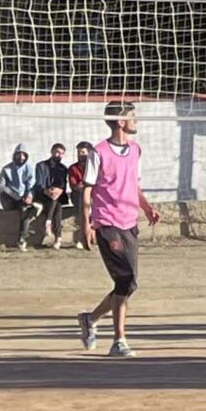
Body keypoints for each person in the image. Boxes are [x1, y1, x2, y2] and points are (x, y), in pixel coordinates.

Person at [77, 101, 161, 356]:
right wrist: (86, 225)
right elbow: (87, 191)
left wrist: (147, 208)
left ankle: (90, 319)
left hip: (129, 221)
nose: (136, 121)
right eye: (132, 117)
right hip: (107, 222)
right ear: (121, 122)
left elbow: (133, 184)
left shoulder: (135, 150)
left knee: (129, 284)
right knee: (124, 279)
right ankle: (119, 340)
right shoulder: (98, 152)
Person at [32, 143, 73, 249]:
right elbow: (39, 183)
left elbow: (63, 184)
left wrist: (58, 191)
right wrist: (47, 191)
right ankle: (58, 237)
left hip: (57, 196)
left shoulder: (63, 168)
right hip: (43, 195)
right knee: (55, 202)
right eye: (57, 152)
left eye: (62, 153)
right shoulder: (41, 165)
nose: (59, 155)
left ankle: (49, 223)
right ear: (52, 151)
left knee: (57, 203)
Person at [0, 146, 36, 249]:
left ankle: (22, 239)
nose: (21, 157)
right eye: (19, 154)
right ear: (15, 155)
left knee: (25, 210)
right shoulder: (6, 169)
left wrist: (29, 196)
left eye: (24, 155)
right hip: (9, 198)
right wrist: (15, 195)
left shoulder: (29, 169)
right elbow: (0, 188)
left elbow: (30, 185)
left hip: (23, 199)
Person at [69, 140, 98, 249]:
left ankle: (94, 235)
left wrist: (86, 184)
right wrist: (87, 185)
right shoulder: (73, 168)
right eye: (79, 153)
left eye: (83, 152)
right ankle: (82, 237)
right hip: (79, 195)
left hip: (94, 196)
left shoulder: (96, 166)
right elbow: (75, 186)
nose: (80, 155)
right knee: (83, 207)